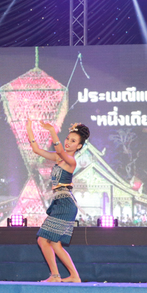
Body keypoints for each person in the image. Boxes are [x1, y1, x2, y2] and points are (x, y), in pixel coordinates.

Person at [27, 119, 89, 283]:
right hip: (60, 203)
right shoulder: (58, 158)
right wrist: (29, 129)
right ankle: (73, 276)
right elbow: (36, 149)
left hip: (65, 204)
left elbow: (60, 150)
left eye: (73, 141)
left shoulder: (71, 161)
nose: (68, 142)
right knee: (54, 243)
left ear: (79, 146)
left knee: (43, 239)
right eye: (68, 138)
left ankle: (55, 275)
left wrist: (52, 131)